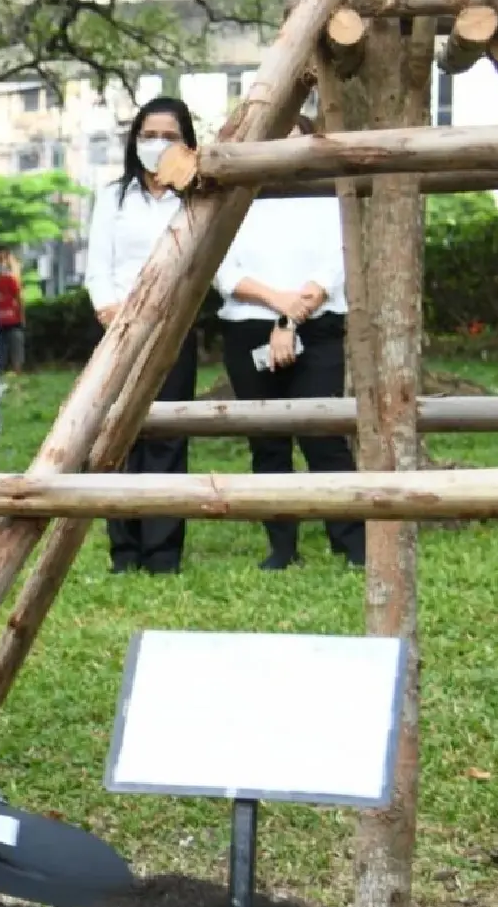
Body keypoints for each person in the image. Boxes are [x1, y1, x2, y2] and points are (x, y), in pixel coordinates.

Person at [214, 115, 365, 570]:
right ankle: (282, 546)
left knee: (324, 437)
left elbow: (337, 259)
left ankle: (352, 543)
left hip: (315, 325)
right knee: (268, 443)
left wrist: (290, 317)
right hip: (247, 327)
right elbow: (224, 269)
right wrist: (278, 304)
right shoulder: (237, 197)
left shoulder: (329, 195)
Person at [84, 96, 201, 575]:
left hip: (175, 330)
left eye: (168, 136)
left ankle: (163, 552)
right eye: (148, 135)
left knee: (168, 436)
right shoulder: (113, 196)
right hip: (119, 330)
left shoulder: (198, 199)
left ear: (187, 142)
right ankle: (125, 549)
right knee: (117, 437)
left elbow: (204, 267)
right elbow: (97, 268)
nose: (157, 145)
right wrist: (111, 312)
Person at [0, 246, 25, 374]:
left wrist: (21, 317)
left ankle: (17, 370)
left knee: (15, 345)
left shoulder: (11, 279)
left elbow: (19, 297)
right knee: (0, 349)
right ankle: (1, 371)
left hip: (12, 321)